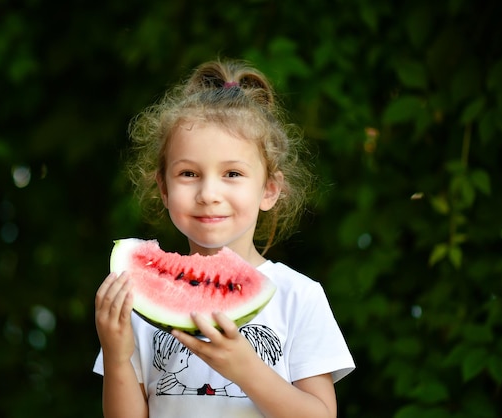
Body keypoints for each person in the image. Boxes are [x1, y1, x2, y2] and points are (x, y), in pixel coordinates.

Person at [93, 58, 355, 418]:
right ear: (164, 189)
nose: (208, 193)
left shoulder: (299, 297)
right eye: (188, 173)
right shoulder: (138, 307)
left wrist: (245, 368)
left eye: (232, 173)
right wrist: (117, 355)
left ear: (270, 189)